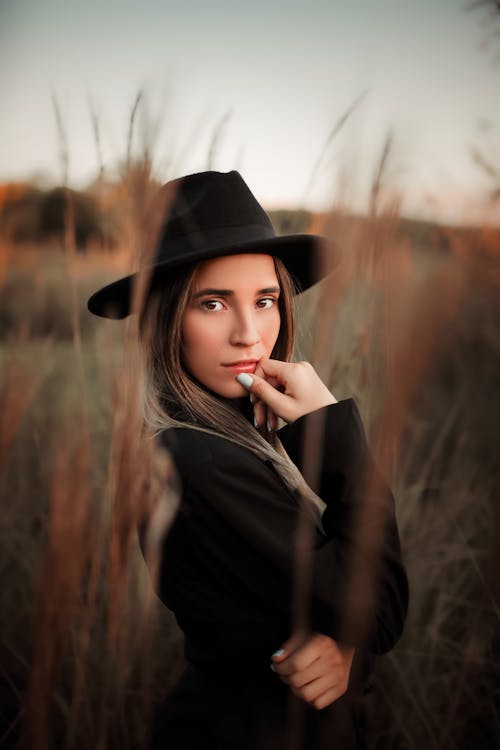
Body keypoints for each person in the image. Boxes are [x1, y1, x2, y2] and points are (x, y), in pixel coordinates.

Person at [87, 170, 409, 749]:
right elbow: (380, 608)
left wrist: (345, 653)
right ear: (167, 321)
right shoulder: (201, 462)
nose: (249, 334)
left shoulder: (223, 430)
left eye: (265, 301)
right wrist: (334, 428)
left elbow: (316, 622)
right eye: (212, 303)